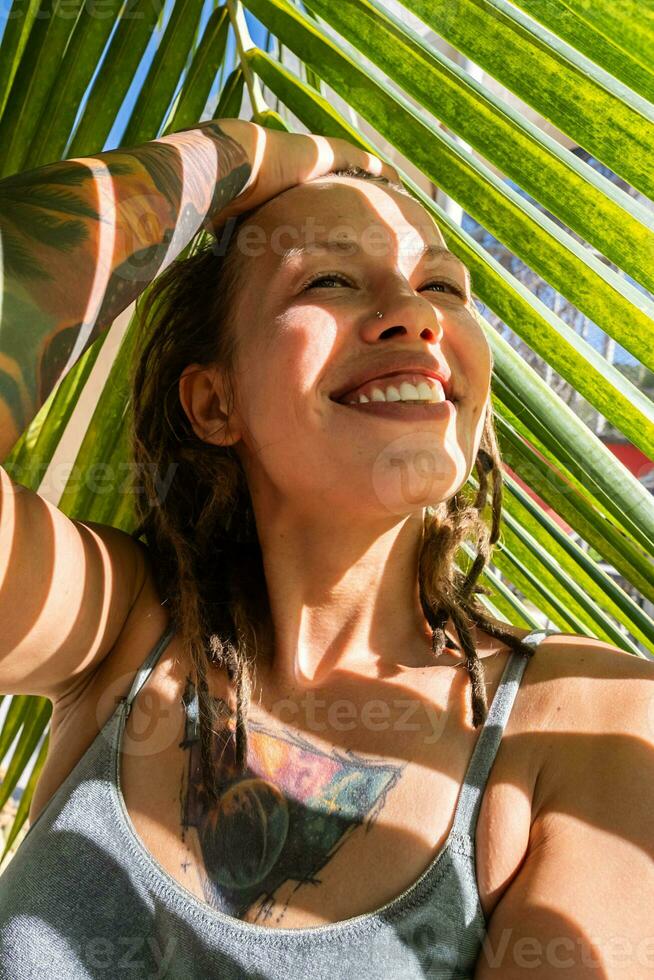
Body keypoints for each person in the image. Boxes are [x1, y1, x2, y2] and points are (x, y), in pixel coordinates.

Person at [0, 119, 651, 979]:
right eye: (335, 278)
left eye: (445, 290)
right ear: (213, 403)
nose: (414, 316)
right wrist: (241, 156)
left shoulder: (591, 722)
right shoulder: (121, 629)